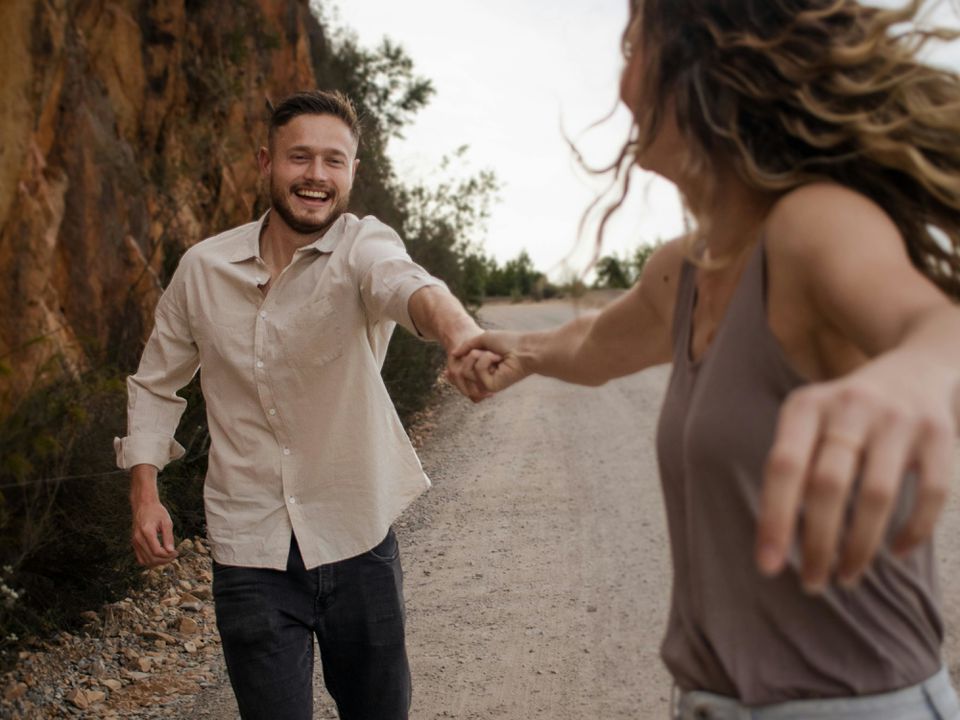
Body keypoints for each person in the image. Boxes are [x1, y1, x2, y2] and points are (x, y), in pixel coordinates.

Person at [455, 1, 960, 718]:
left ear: (703, 63)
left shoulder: (811, 226)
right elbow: (598, 344)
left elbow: (933, 323)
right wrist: (523, 350)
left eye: (634, 45)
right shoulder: (686, 268)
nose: (623, 82)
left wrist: (915, 373)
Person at [114, 90, 495, 720]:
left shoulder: (362, 248)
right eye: (300, 157)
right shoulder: (203, 269)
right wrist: (145, 493)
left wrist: (460, 334)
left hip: (357, 535)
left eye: (333, 161)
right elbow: (156, 382)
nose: (316, 175)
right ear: (266, 162)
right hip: (250, 549)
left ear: (351, 174)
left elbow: (409, 286)